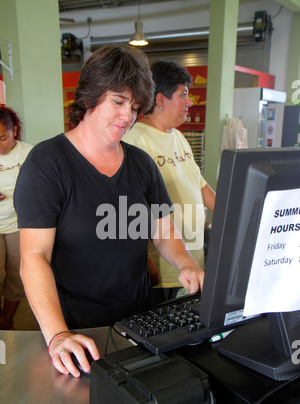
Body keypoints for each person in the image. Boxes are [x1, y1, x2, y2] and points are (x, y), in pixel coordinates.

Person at [14, 45, 204, 378]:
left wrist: (186, 262)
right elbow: (34, 257)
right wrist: (57, 334)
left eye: (134, 107)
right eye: (118, 102)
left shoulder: (141, 164)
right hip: (78, 329)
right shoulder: (47, 164)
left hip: (138, 320)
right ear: (90, 95)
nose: (126, 117)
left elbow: (162, 231)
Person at [123, 60, 216, 304]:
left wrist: (242, 213)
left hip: (191, 261)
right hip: (165, 269)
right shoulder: (135, 142)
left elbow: (201, 187)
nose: (190, 102)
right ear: (161, 99)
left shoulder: (179, 137)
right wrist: (146, 261)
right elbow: (130, 211)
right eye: (183, 95)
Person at [0, 107, 32, 329]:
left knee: (16, 275)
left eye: (2, 137)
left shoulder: (29, 153)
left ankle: (7, 319)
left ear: (15, 131)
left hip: (18, 225)